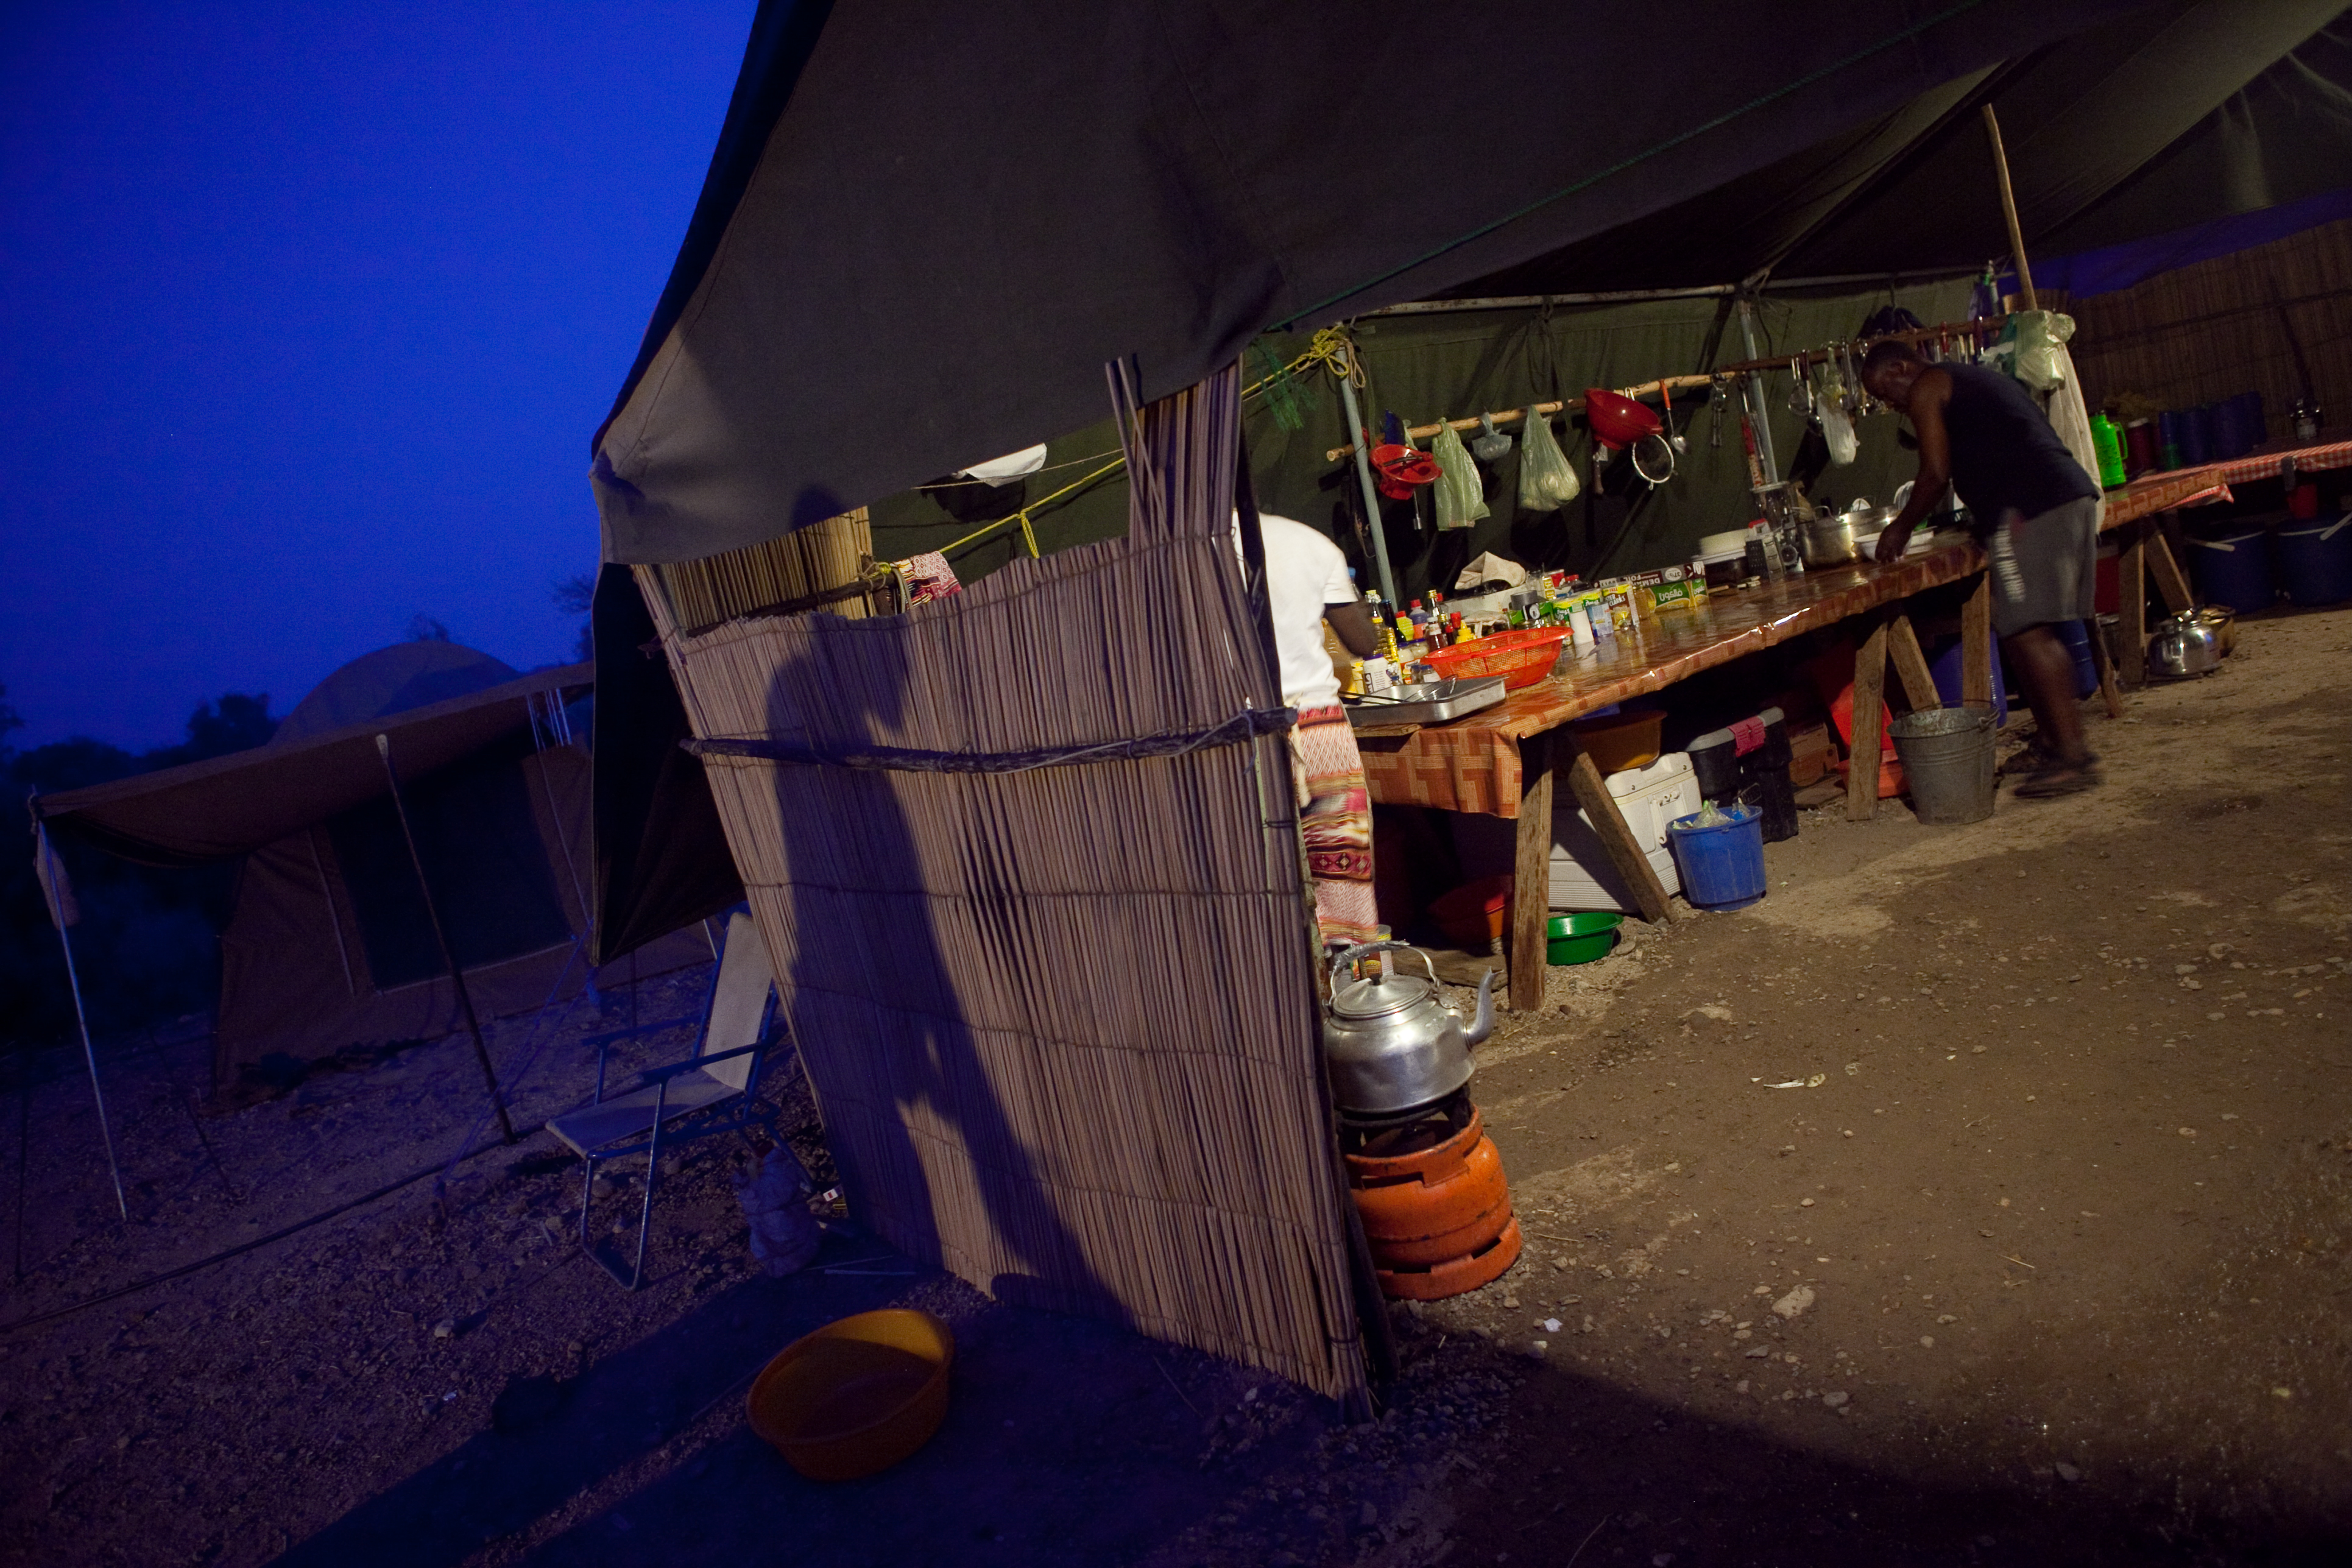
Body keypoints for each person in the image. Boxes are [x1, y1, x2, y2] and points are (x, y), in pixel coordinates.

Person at [1859, 340, 2103, 797]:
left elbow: (1934, 472)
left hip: (2032, 506)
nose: (1889, 404)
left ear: (1901, 366)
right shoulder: (1968, 379)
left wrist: (1900, 529)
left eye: (1883, 392)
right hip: (2060, 497)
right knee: (2017, 628)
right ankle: (2052, 742)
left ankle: (2074, 757)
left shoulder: (1929, 385)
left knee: (2029, 630)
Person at [1246, 511, 1382, 950]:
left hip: (1238, 736)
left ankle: (1287, 990)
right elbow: (1363, 643)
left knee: (1259, 875)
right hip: (1318, 726)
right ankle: (1357, 987)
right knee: (1342, 871)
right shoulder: (1309, 540)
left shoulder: (1175, 558)